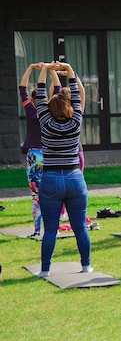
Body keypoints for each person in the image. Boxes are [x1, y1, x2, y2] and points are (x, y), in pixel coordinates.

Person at [34, 61, 92, 277]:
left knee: (50, 229)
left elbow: (40, 95)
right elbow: (75, 93)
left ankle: (45, 270)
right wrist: (67, 69)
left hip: (50, 179)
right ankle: (86, 266)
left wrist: (45, 70)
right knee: (80, 228)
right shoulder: (76, 120)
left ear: (49, 109)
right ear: (68, 107)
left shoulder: (44, 121)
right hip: (74, 178)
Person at [19, 62, 56, 238]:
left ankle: (37, 230)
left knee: (36, 195)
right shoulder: (50, 111)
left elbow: (22, 88)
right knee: (51, 194)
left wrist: (31, 67)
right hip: (49, 154)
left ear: (32, 100)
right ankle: (51, 228)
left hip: (34, 155)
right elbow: (57, 88)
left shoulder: (31, 111)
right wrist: (50, 70)